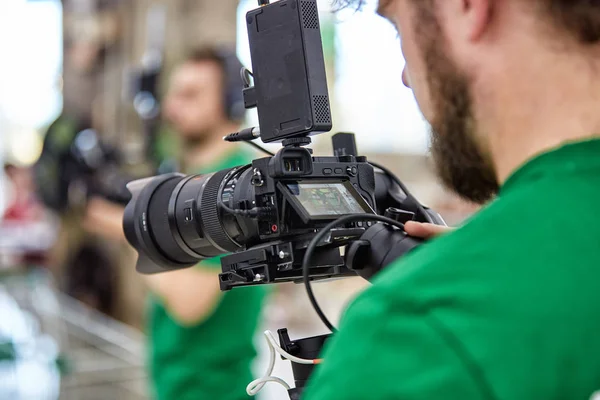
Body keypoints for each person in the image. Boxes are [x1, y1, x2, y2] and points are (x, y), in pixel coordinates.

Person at [303, 0, 600, 399]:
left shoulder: (419, 331)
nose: (407, 77)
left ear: (467, 7)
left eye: (397, 28)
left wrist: (457, 285)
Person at [84, 47, 268, 400]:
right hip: (176, 385)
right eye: (174, 93)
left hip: (215, 390)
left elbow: (191, 303)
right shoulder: (193, 184)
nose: (172, 108)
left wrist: (126, 228)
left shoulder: (238, 186)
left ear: (230, 102)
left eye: (191, 95)